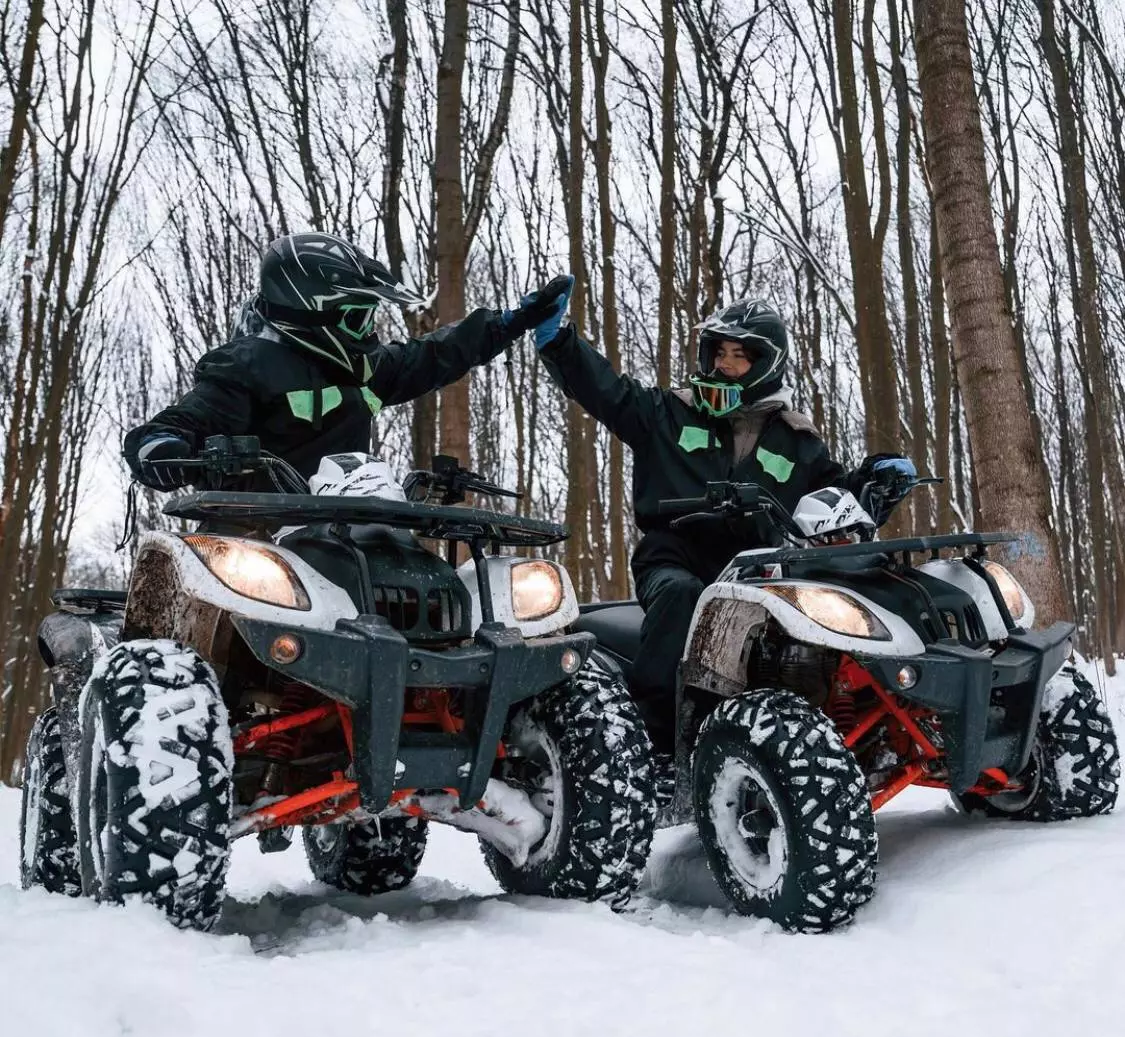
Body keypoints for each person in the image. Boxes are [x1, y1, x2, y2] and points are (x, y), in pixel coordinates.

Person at [531, 275, 914, 756]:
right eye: (720, 352)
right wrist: (559, 342)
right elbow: (609, 392)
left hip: (760, 570)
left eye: (740, 355)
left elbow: (835, 500)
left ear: (766, 363)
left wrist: (878, 482)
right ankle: (654, 744)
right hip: (676, 558)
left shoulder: (798, 440)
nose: (725, 364)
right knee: (681, 595)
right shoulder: (669, 413)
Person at [124, 232, 570, 490]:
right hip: (252, 541)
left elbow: (436, 353)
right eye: (358, 316)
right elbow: (180, 422)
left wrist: (512, 322)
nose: (368, 330)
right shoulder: (244, 367)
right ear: (312, 309)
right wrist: (162, 449)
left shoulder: (367, 369)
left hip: (344, 531)